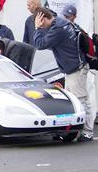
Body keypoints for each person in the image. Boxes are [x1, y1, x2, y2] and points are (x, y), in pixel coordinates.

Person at [33, 7, 93, 142]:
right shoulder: (60, 22)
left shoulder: (58, 29)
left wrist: (38, 29)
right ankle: (75, 131)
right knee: (74, 102)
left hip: (76, 69)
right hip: (73, 68)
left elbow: (39, 44)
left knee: (82, 100)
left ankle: (87, 132)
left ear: (43, 19)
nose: (42, 27)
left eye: (41, 23)